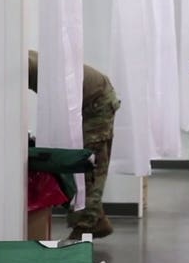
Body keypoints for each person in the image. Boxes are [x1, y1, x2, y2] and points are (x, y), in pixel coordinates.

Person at [28, 50, 120, 240]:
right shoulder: (24, 59)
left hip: (97, 102)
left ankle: (86, 226)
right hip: (84, 99)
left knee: (89, 164)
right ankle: (97, 220)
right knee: (79, 163)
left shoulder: (26, 67)